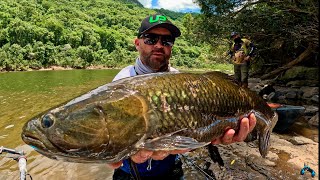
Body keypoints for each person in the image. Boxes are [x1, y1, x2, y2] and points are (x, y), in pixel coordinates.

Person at [108, 14, 257, 180]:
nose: (158, 45)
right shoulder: (121, 82)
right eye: (151, 39)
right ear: (137, 43)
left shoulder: (181, 82)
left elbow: (195, 129)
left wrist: (210, 136)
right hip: (130, 173)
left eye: (166, 41)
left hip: (171, 168)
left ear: (171, 46)